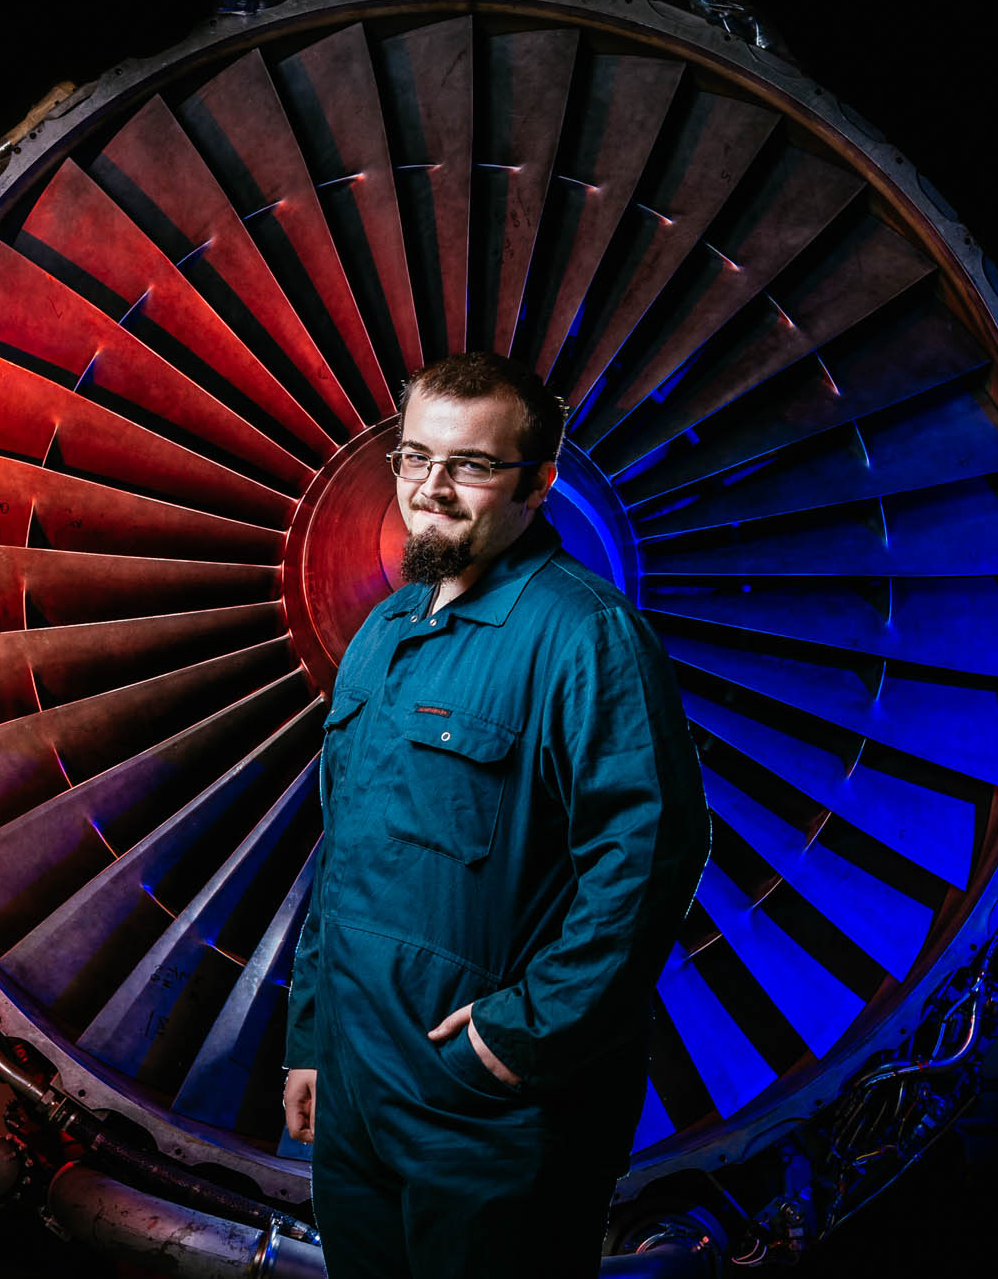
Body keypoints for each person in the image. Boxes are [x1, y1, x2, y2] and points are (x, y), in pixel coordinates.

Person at [281, 352, 711, 1278]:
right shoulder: (385, 635)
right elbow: (344, 853)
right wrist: (315, 1042)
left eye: (471, 464)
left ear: (540, 484)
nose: (433, 487)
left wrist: (519, 1037)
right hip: (358, 1098)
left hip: (488, 1120)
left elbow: (649, 859)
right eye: (415, 456)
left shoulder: (587, 637)